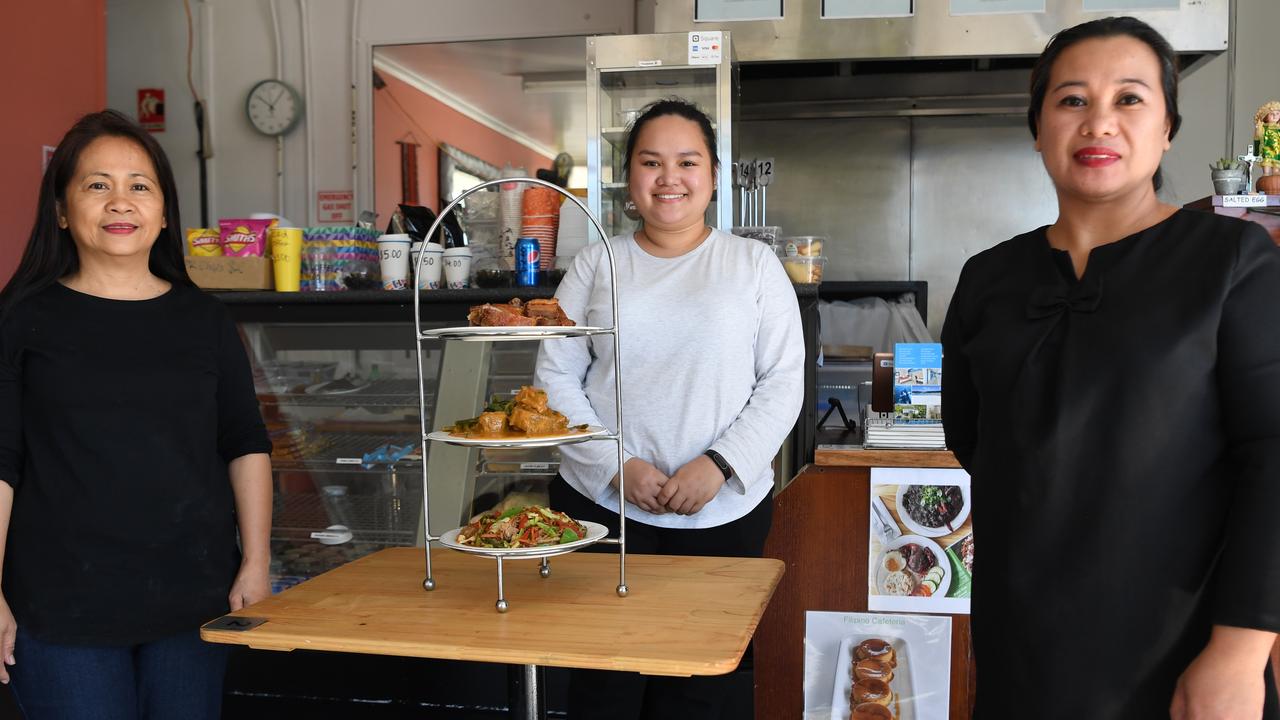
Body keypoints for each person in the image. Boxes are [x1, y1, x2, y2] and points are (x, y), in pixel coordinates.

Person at [941, 17, 1280, 720]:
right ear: (1038, 129)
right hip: (1020, 646)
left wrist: (1239, 653)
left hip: (1183, 654)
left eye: (1129, 99)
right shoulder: (988, 279)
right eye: (1071, 101)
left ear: (1167, 129)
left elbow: (1274, 458)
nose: (1099, 123)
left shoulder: (1233, 263)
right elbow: (976, 440)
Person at [534, 98, 804, 720]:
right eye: (651, 162)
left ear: (712, 173)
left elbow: (784, 381)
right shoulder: (597, 263)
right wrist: (615, 466)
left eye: (687, 161)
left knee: (703, 692)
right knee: (604, 691)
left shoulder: (753, 265)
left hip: (724, 518)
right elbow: (554, 377)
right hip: (602, 514)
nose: (669, 178)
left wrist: (718, 464)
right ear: (629, 178)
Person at [0, 110, 273, 719]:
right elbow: (2, 461)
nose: (120, 201)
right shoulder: (21, 320)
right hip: (60, 603)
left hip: (193, 596)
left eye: (139, 186)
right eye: (97, 185)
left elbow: (245, 443)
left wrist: (255, 564)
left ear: (165, 211)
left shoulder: (206, 320)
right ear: (62, 210)